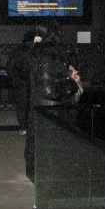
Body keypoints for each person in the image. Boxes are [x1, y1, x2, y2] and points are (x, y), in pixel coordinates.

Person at [25, 21, 83, 182]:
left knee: (38, 147)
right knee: (49, 150)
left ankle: (37, 174)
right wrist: (71, 82)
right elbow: (50, 90)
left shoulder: (37, 53)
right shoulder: (48, 55)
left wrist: (65, 73)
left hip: (40, 107)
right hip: (51, 111)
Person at [6, 31, 36, 135]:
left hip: (19, 82)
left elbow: (10, 67)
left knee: (21, 105)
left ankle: (23, 128)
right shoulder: (34, 50)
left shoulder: (17, 50)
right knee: (31, 105)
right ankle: (32, 127)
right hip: (31, 81)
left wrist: (15, 78)